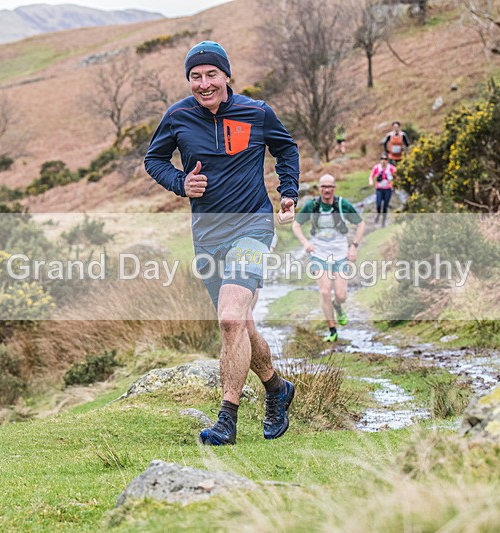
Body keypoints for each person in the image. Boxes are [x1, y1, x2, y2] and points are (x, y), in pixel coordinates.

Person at [144, 41, 299, 446]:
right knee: (241, 325)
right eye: (195, 76)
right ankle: (277, 388)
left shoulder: (257, 112)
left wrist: (289, 191)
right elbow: (153, 160)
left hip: (252, 227)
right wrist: (181, 183)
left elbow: (286, 149)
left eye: (211, 74)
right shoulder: (177, 116)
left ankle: (226, 419)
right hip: (208, 236)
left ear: (226, 75)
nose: (204, 83)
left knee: (230, 319)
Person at [292, 174, 365, 342]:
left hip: (340, 254)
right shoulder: (312, 205)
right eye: (323, 187)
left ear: (334, 188)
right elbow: (296, 225)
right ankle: (332, 330)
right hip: (319, 254)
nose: (326, 190)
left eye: (329, 187)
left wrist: (353, 246)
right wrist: (305, 243)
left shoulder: (342, 204)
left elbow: (361, 224)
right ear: (319, 189)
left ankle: (337, 305)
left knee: (341, 295)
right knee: (324, 291)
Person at [370, 154, 396, 227]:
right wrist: (371, 182)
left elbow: (396, 174)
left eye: (385, 159)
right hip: (379, 189)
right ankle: (378, 214)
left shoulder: (390, 168)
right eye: (382, 159)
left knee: (385, 206)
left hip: (388, 189)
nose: (384, 161)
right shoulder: (376, 167)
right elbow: (371, 176)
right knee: (378, 204)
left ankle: (383, 222)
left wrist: (395, 184)